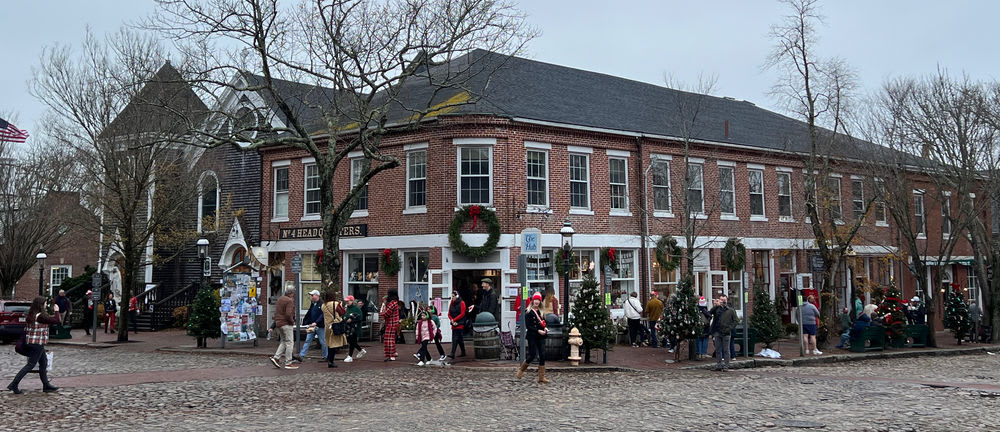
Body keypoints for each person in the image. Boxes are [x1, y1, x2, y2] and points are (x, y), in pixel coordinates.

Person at [7, 296, 61, 394]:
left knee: (43, 363)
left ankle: (46, 385)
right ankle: (14, 384)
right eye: (44, 303)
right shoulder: (40, 316)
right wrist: (56, 311)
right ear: (41, 304)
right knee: (30, 365)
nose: (45, 305)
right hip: (37, 344)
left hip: (32, 342)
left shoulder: (32, 314)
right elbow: (56, 320)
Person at [515, 293, 549, 383]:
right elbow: (529, 326)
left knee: (542, 355)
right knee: (532, 354)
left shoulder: (541, 312)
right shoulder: (528, 312)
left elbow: (544, 322)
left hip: (540, 336)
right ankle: (521, 369)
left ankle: (541, 377)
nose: (537, 302)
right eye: (535, 300)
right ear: (532, 301)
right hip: (532, 335)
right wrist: (538, 330)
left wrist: (545, 328)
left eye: (538, 300)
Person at [269, 288, 297, 369]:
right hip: (286, 324)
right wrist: (292, 321)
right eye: (293, 294)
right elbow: (288, 314)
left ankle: (276, 358)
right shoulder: (289, 301)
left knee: (284, 341)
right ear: (291, 293)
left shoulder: (280, 299)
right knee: (290, 342)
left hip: (278, 323)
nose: (293, 295)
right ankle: (288, 362)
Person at [298, 290, 327, 363]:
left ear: (317, 295)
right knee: (308, 340)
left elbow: (322, 315)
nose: (311, 296)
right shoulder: (313, 303)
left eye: (312, 295)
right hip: (312, 325)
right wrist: (306, 321)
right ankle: (301, 356)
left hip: (320, 326)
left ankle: (325, 356)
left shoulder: (322, 304)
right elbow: (310, 312)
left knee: (323, 342)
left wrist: (316, 322)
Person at [710, 296, 738, 371]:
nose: (723, 301)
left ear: (727, 300)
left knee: (726, 349)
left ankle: (726, 365)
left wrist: (729, 328)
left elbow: (735, 321)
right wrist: (716, 306)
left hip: (726, 332)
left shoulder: (730, 310)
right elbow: (710, 313)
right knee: (718, 349)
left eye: (724, 300)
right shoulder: (717, 309)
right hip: (717, 331)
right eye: (721, 300)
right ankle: (718, 364)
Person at [322, 291, 347, 368]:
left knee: (329, 344)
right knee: (333, 344)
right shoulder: (335, 304)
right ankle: (331, 361)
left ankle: (329, 360)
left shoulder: (323, 305)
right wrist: (341, 305)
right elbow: (342, 312)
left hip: (327, 326)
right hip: (335, 325)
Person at [342, 296, 366, 362]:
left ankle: (350, 356)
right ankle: (360, 350)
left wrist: (352, 319)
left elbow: (360, 317)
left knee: (352, 341)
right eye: (346, 301)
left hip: (354, 328)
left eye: (348, 301)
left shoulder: (356, 308)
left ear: (352, 301)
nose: (347, 302)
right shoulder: (347, 308)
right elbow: (345, 315)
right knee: (351, 341)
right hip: (348, 328)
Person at [379, 290, 401, 361]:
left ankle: (391, 355)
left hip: (391, 323)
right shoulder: (395, 302)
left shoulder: (392, 303)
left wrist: (381, 312)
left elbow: (387, 313)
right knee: (391, 338)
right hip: (394, 322)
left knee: (389, 339)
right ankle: (393, 352)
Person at [448, 293, 467, 359]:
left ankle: (452, 353)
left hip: (460, 322)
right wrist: (452, 320)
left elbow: (462, 313)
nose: (452, 298)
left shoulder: (462, 303)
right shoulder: (451, 303)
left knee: (455, 337)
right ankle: (463, 351)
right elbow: (449, 313)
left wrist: (454, 320)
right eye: (451, 296)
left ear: (457, 296)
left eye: (453, 296)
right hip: (454, 322)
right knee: (459, 338)